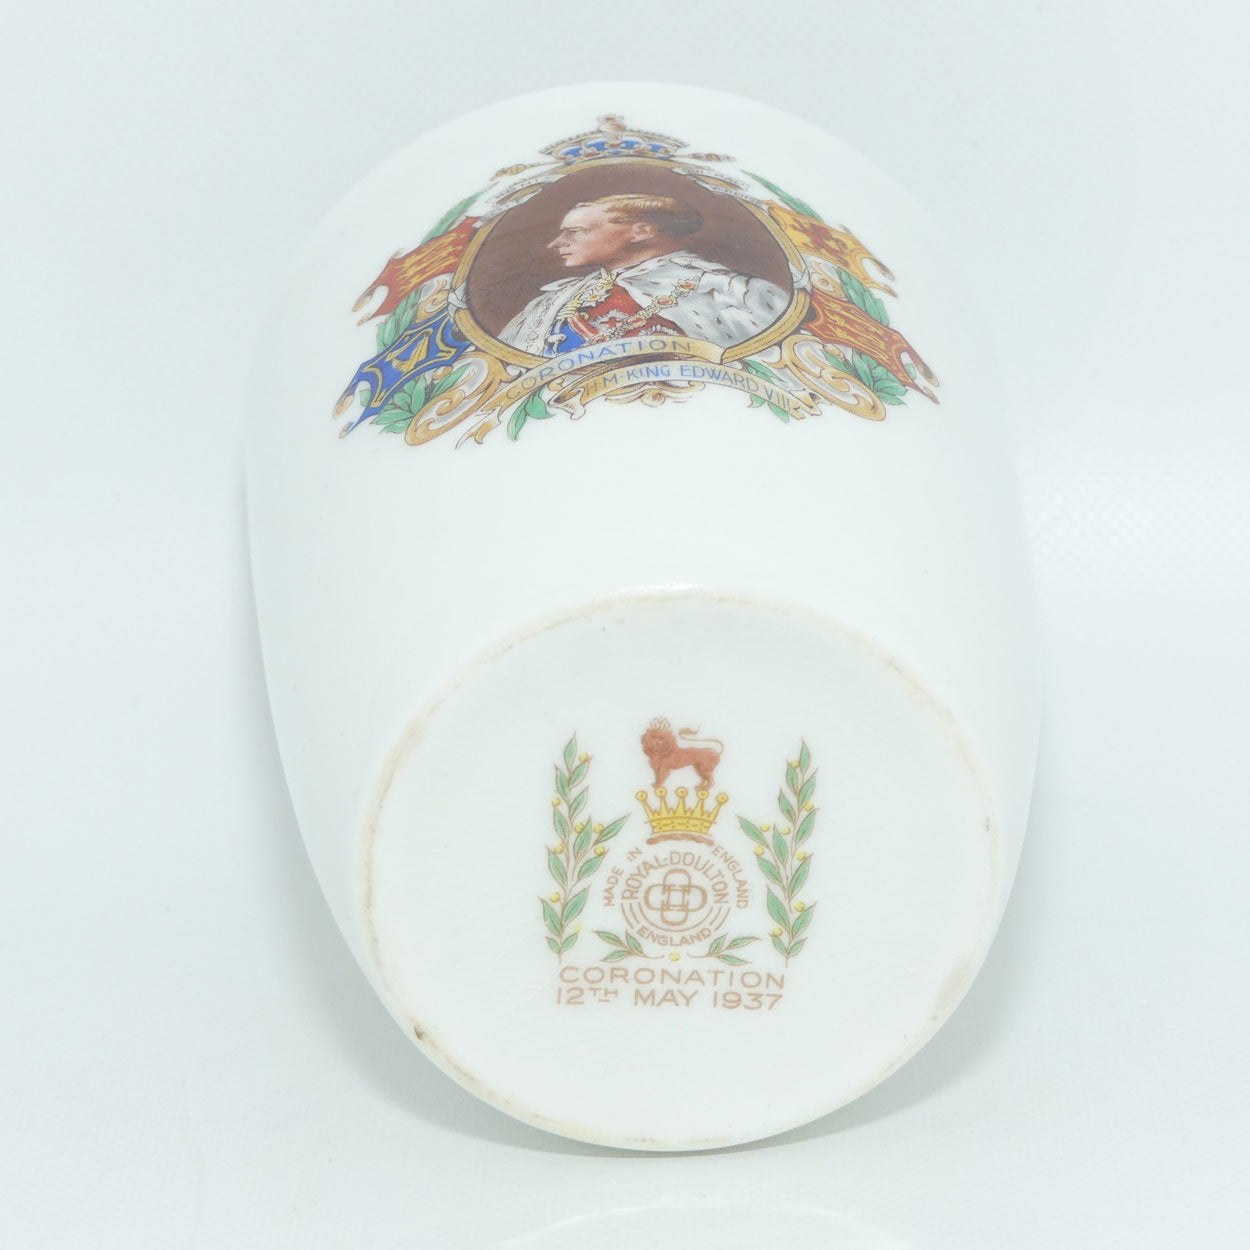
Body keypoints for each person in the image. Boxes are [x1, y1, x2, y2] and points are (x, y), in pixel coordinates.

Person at [498, 194, 788, 356]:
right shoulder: (555, 299)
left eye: (575, 232)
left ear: (642, 231)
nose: (556, 243)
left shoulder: (730, 291)